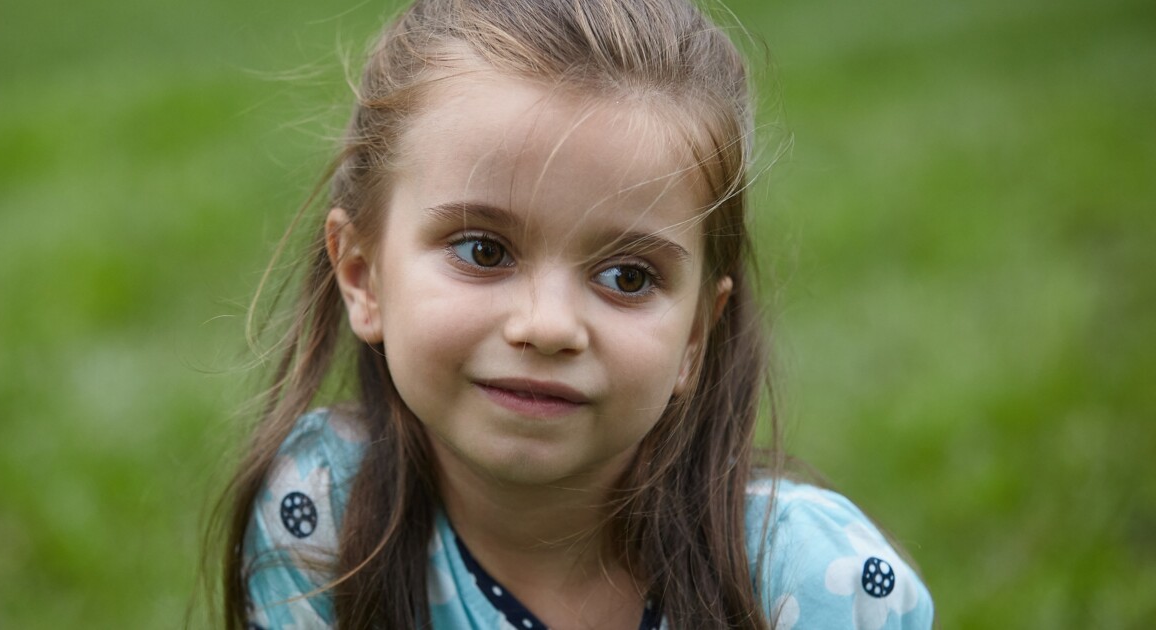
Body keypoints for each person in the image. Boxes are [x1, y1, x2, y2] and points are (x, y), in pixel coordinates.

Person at [214, 0, 934, 628]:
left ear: (695, 333)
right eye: (484, 251)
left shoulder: (811, 588)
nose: (550, 326)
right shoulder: (321, 515)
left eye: (628, 276)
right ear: (362, 277)